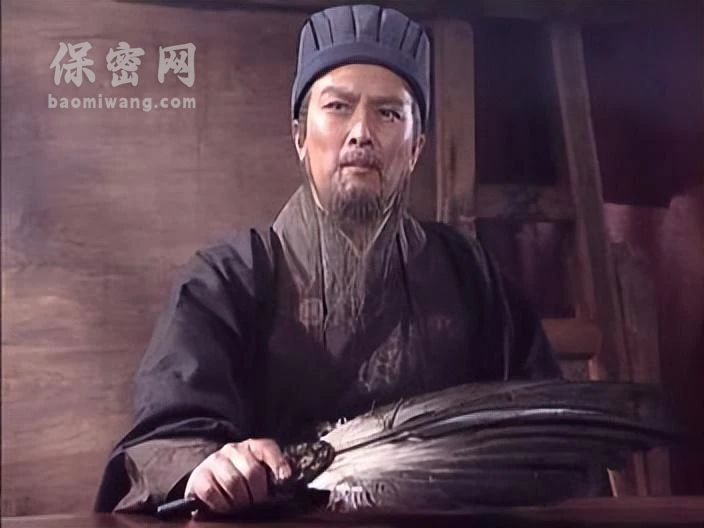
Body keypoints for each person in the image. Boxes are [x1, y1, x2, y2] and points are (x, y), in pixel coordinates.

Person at [95, 3, 561, 515]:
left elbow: (548, 432)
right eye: (338, 107)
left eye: (388, 113)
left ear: (416, 148)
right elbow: (167, 437)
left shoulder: (469, 275)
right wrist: (208, 467)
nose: (361, 132)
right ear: (300, 135)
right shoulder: (228, 279)